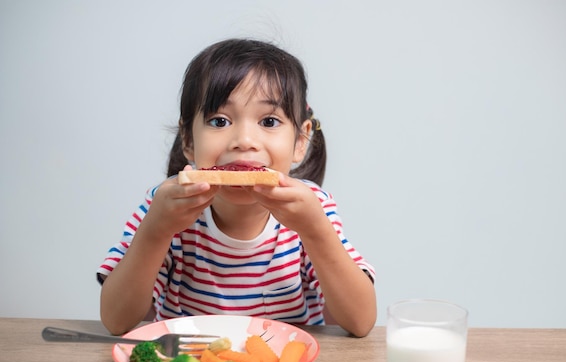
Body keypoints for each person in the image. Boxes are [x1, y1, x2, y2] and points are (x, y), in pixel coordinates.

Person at [97, 38, 376, 337]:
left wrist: (316, 231)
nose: (244, 140)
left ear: (300, 141)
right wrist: (156, 231)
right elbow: (116, 321)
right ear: (188, 140)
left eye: (269, 121)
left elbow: (360, 323)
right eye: (219, 121)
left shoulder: (314, 207)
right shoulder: (164, 206)